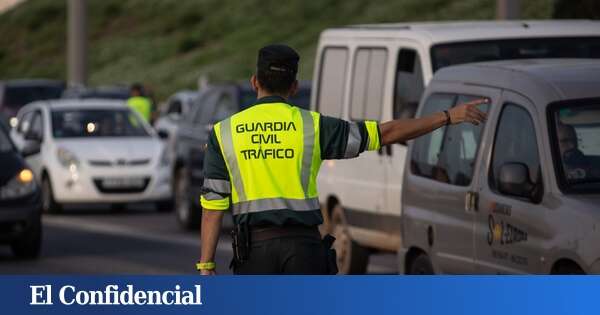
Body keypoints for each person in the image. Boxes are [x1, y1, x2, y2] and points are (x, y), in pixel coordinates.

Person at [197, 44, 487, 275]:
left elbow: (213, 207)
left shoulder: (224, 133)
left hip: (254, 253)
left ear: (254, 81)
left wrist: (206, 266)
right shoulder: (314, 126)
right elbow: (386, 133)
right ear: (294, 87)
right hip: (305, 252)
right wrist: (449, 116)